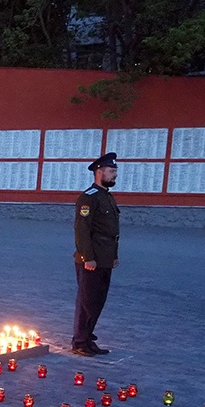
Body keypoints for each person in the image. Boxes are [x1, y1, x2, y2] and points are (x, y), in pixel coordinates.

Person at [72, 153, 120, 357]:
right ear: (99, 172)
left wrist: (113, 256)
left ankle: (88, 336)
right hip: (92, 259)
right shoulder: (88, 197)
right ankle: (80, 341)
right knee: (87, 301)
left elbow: (112, 232)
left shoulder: (106, 197)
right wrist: (87, 257)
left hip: (105, 258)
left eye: (115, 171)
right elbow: (82, 230)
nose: (114, 175)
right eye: (111, 171)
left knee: (98, 301)